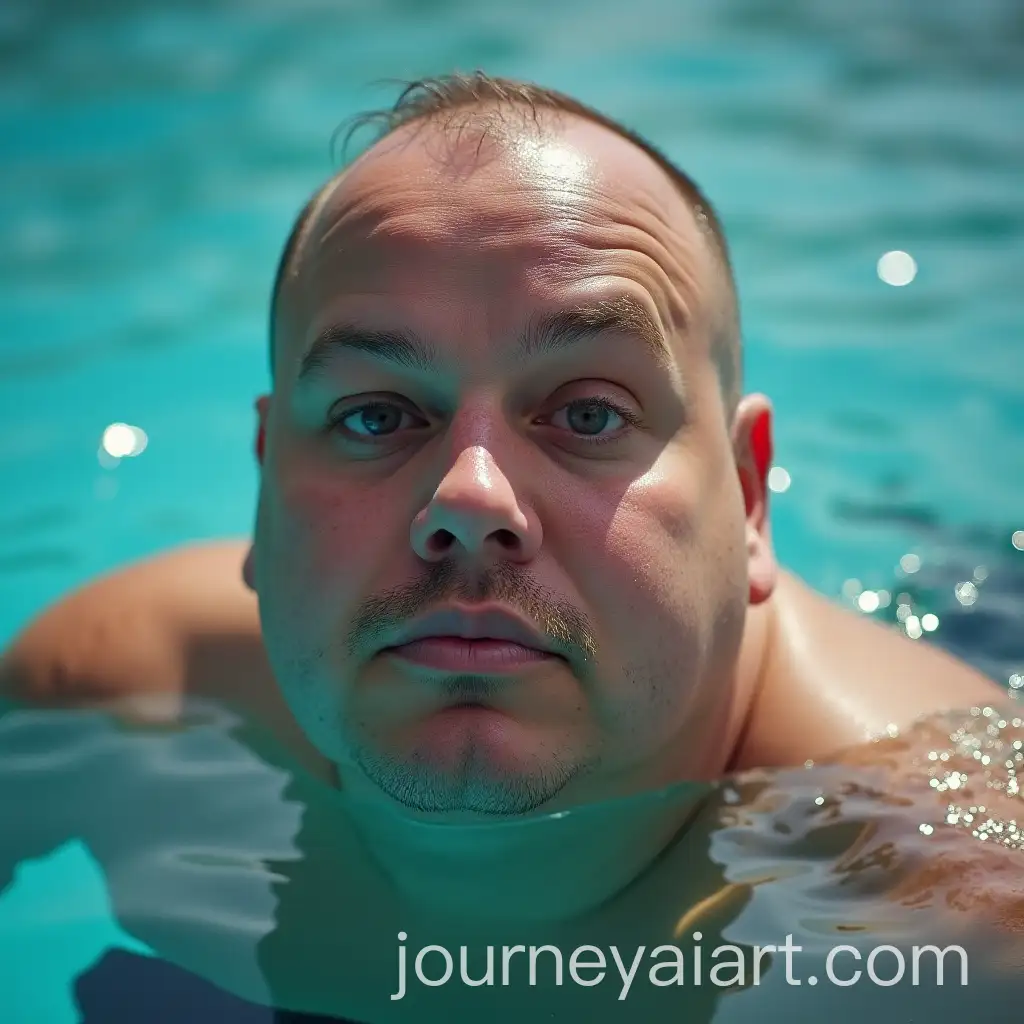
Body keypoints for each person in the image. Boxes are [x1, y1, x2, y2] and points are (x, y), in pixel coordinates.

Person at [1, 73, 1019, 1022]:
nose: (469, 499)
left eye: (587, 413)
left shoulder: (960, 911)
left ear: (750, 498)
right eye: (374, 415)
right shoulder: (111, 698)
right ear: (265, 485)